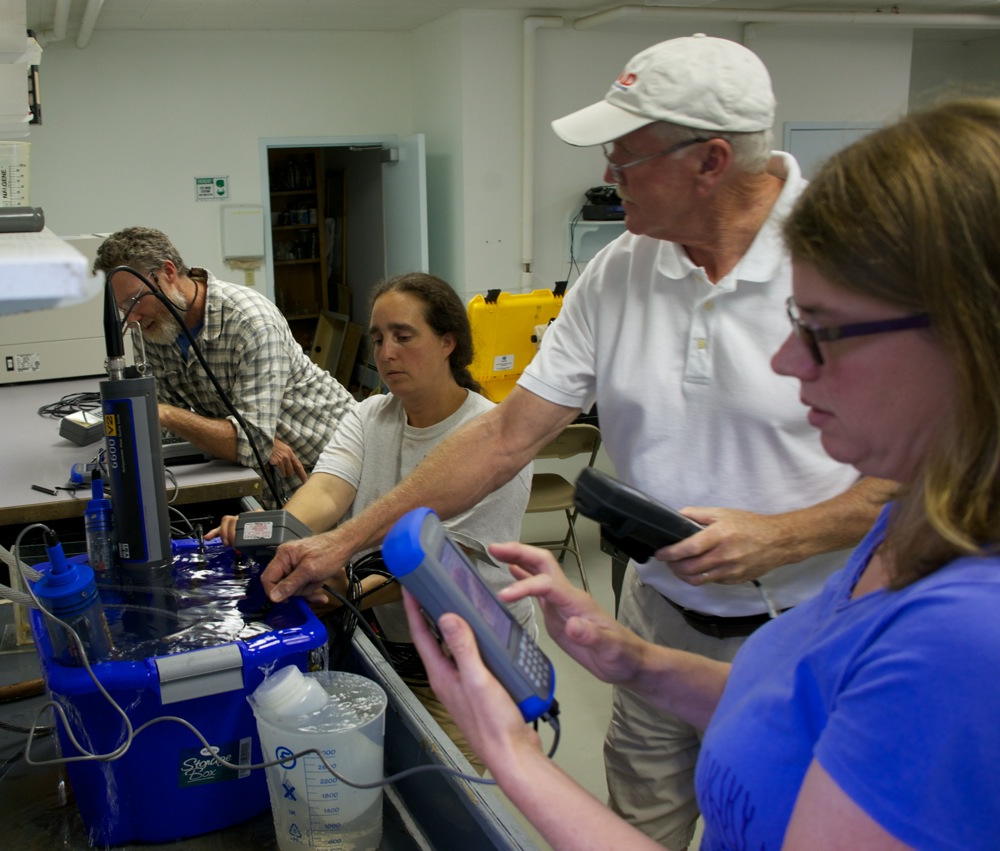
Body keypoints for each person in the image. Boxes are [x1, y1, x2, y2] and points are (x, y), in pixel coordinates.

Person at [259, 34, 894, 848]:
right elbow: (505, 437)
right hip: (655, 617)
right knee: (641, 817)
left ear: (710, 161)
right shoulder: (619, 272)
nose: (605, 176)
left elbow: (944, 477)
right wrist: (342, 542)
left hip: (815, 626)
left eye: (624, 157)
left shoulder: (858, 261)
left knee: (775, 823)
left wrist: (784, 533)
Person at [404, 96, 1000, 850]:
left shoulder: (965, 635)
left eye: (822, 331)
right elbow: (797, 707)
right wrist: (640, 661)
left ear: (967, 338)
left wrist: (511, 757)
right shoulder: (907, 526)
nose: (786, 362)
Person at [209, 272, 534, 769]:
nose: (386, 353)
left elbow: (435, 565)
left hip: (470, 668)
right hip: (395, 648)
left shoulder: (494, 443)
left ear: (449, 342)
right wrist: (277, 537)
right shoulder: (369, 416)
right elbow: (325, 491)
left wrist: (342, 585)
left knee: (450, 802)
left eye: (404, 337)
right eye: (378, 338)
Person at [93, 227, 355, 504]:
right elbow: (177, 435)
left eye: (135, 300)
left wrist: (168, 414)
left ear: (168, 273)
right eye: (123, 308)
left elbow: (250, 442)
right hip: (265, 475)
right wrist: (244, 441)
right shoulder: (153, 328)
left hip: (329, 461)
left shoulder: (250, 320)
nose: (132, 317)